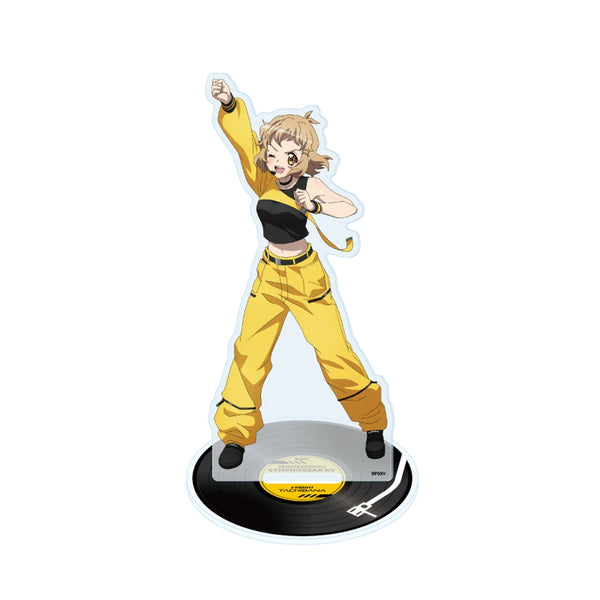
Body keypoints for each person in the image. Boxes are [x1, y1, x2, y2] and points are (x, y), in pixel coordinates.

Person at [210, 78, 388, 469]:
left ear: (302, 157)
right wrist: (229, 104)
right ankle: (235, 435)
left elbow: (348, 207)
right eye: (273, 154)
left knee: (335, 353)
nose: (279, 163)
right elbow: (243, 142)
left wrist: (316, 205)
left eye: (288, 156)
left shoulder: (311, 184)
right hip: (269, 277)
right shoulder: (264, 180)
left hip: (307, 278)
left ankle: (372, 424)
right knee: (249, 353)